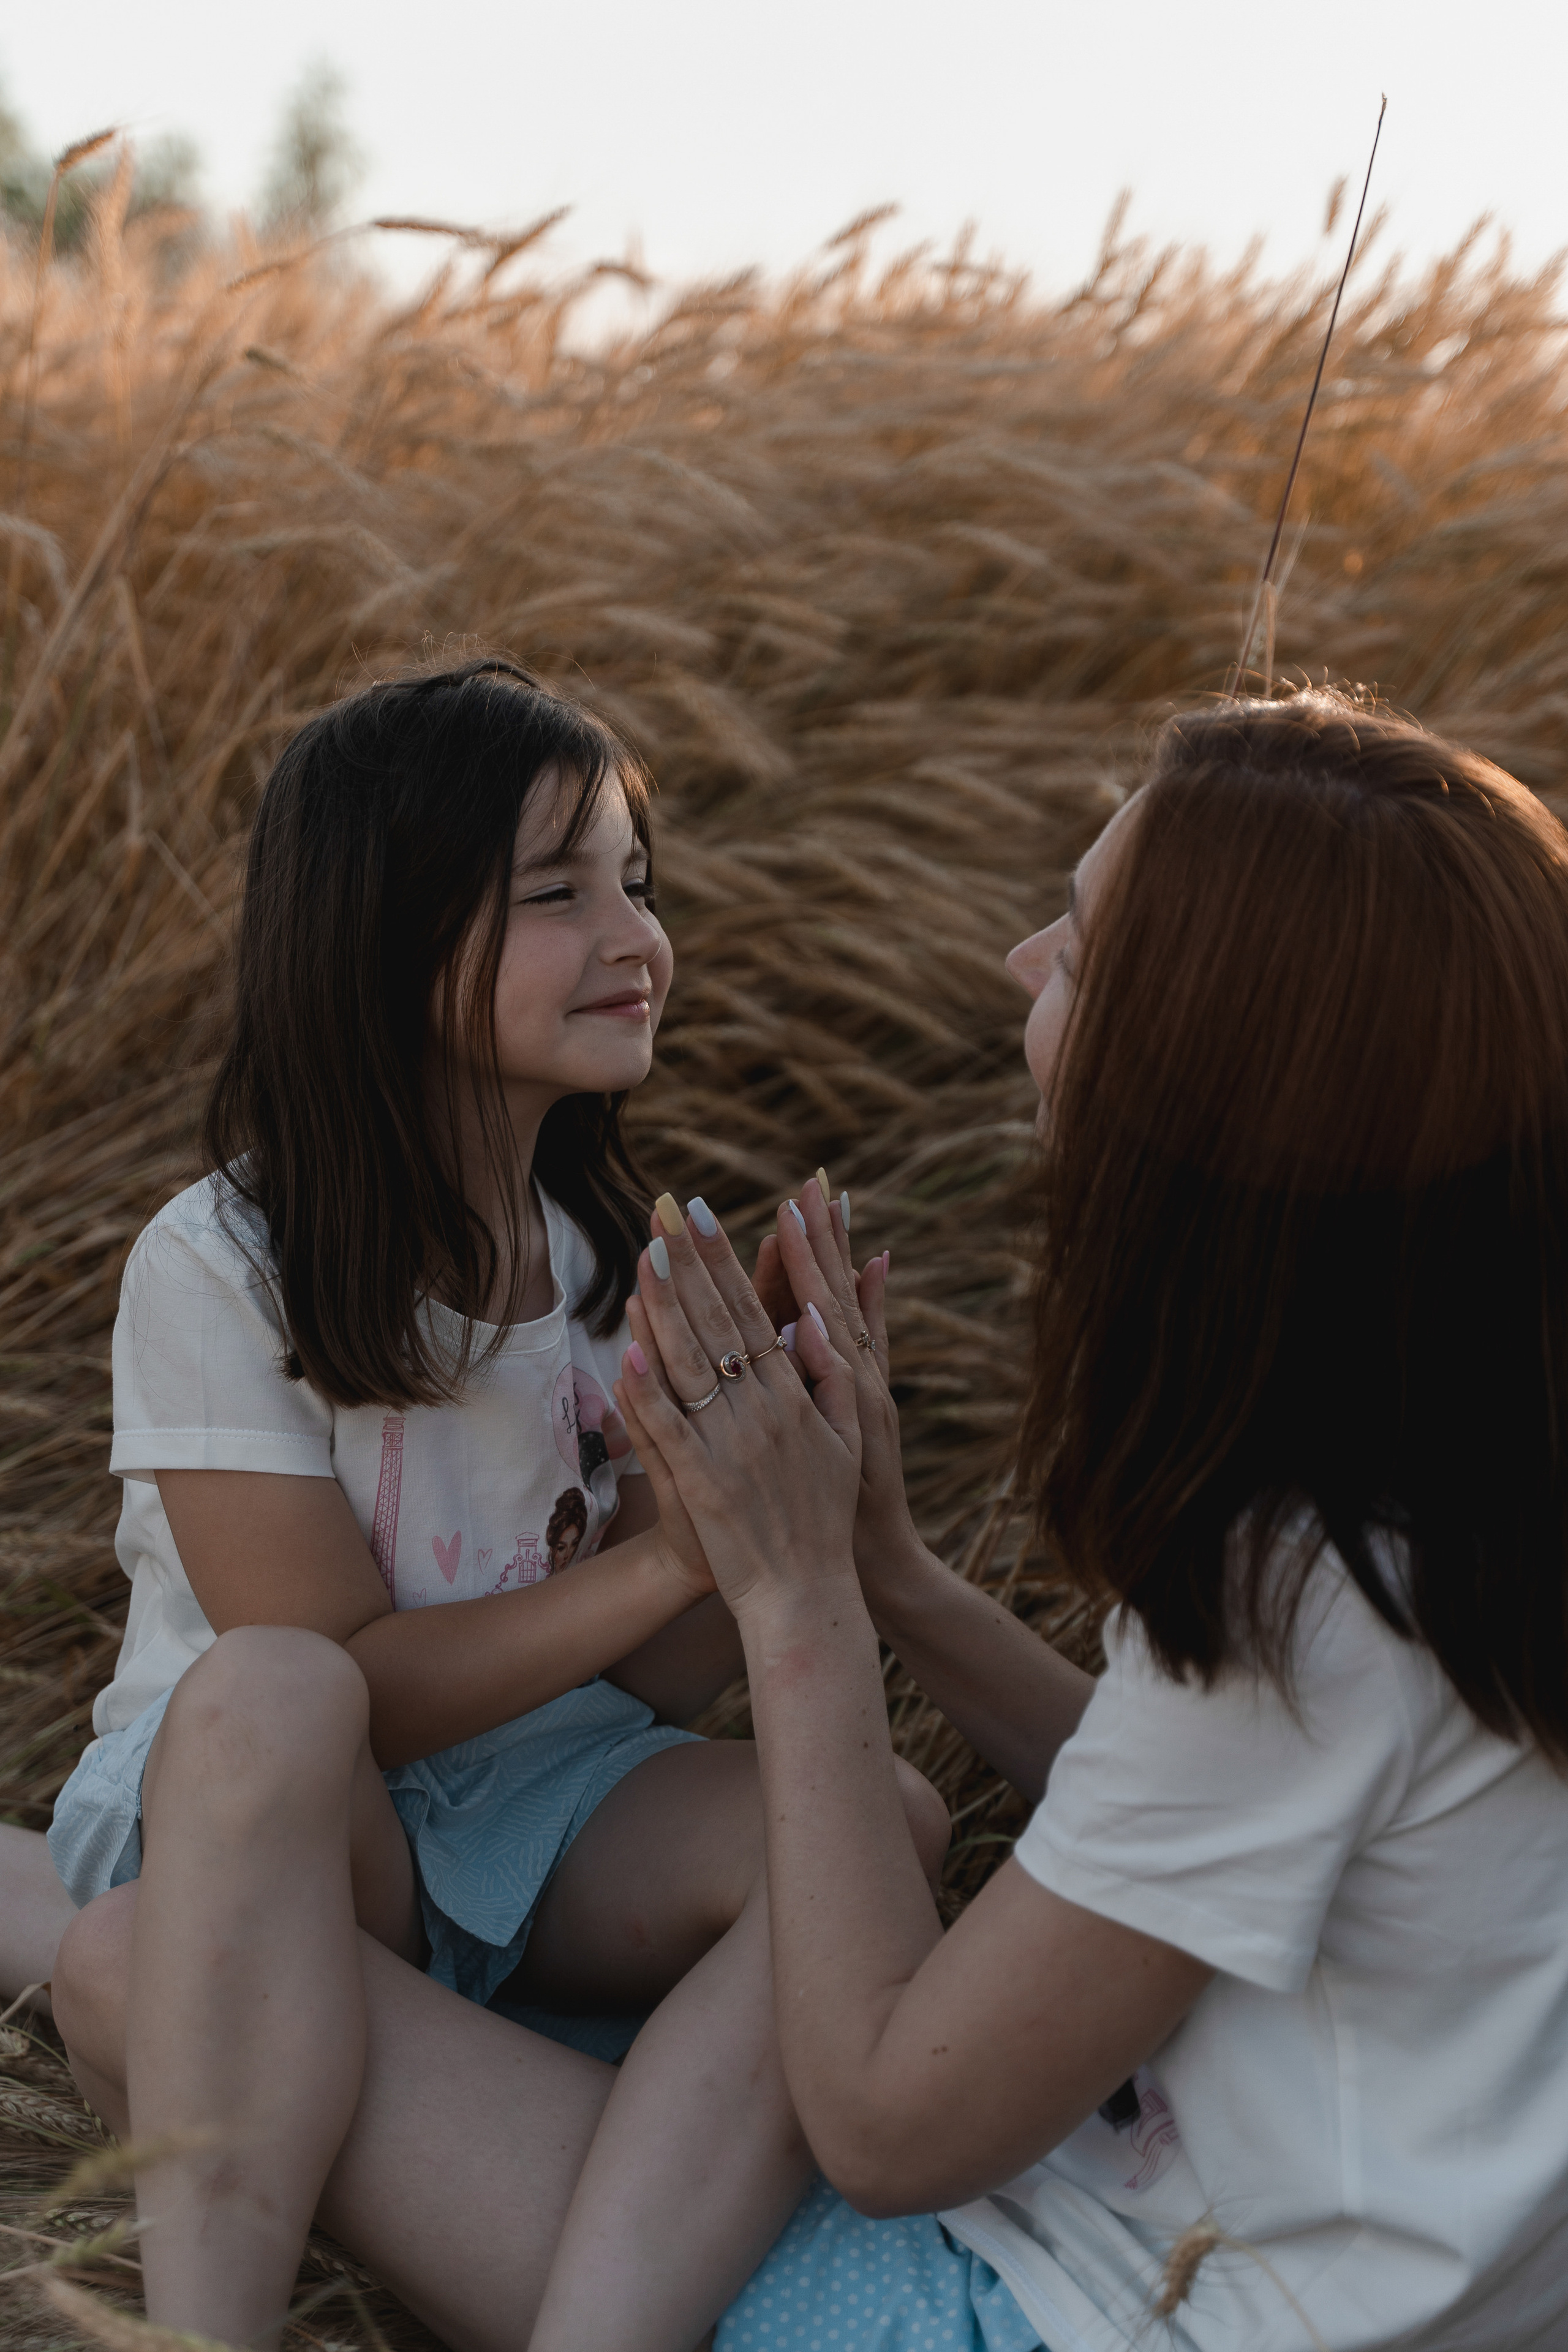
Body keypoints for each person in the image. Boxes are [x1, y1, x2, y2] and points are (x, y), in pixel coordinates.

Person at [607, 691, 1568, 2351]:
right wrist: (895, 1575)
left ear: (1213, 1078)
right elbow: (1208, 1816)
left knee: (415, 2070)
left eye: (1080, 947)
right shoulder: (1461, 1481)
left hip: (1131, 2312)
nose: (1020, 964)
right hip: (1342, 2267)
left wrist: (794, 1594)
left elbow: (885, 2129)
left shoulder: (1310, 1588)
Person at [21, 654, 951, 2352]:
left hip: (532, 1797)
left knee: (873, 1823)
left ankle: (590, 2186)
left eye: (638, 884)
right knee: (275, 1686)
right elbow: (348, 1688)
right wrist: (666, 1554)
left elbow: (646, 1687)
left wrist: (763, 1490)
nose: (634, 934)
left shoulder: (603, 1261)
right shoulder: (223, 1263)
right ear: (382, 939)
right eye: (557, 894)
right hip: (280, 1823)